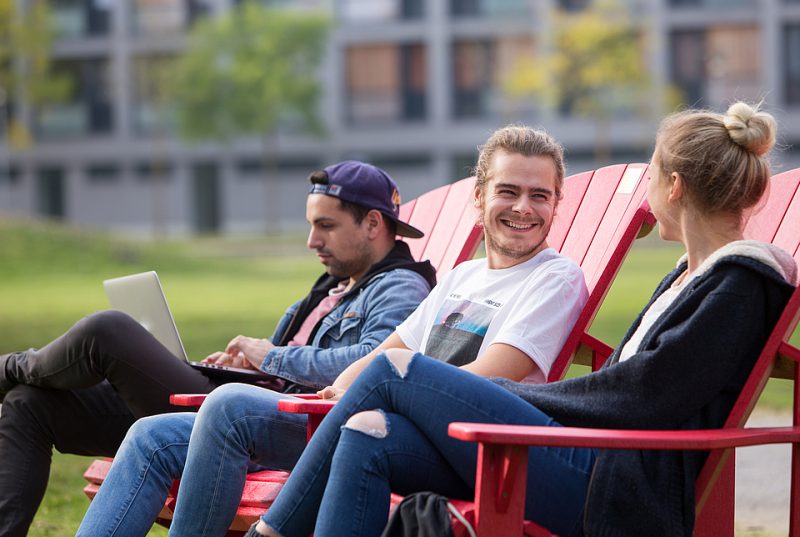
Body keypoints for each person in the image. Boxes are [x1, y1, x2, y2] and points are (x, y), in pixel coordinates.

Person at [243, 102, 798, 537]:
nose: (646, 189)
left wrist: (519, 398)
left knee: (395, 371)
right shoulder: (693, 275)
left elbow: (646, 395)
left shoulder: (740, 284)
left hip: (612, 488)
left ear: (673, 186)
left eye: (652, 172)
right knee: (369, 436)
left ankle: (271, 532)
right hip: (593, 460)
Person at [76, 125, 590, 536]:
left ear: (556, 203)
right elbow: (388, 353)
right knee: (153, 434)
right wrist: (343, 387)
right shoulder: (462, 277)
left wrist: (366, 387)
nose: (524, 208)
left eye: (539, 196)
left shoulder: (555, 278)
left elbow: (484, 377)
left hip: (454, 443)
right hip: (369, 414)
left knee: (231, 404)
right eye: (508, 191)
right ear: (479, 199)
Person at [0, 160, 438, 537]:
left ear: (374, 224)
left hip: (274, 422)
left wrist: (268, 355)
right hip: (241, 403)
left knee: (108, 332)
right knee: (29, 404)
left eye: (326, 225)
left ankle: (9, 366)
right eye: (310, 225)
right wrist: (240, 366)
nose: (312, 240)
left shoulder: (398, 285)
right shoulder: (333, 288)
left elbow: (376, 363)